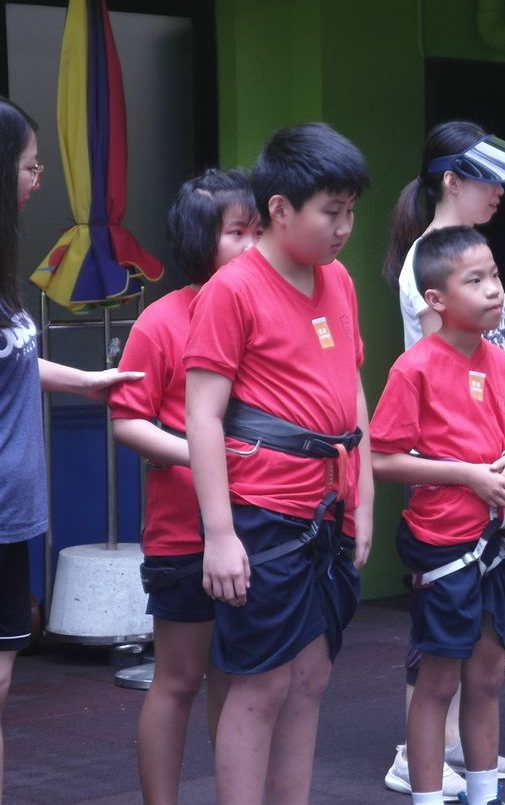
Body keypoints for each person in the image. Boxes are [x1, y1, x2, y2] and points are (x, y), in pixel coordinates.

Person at [183, 123, 373, 804]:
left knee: (312, 677)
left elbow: (353, 392)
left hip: (331, 507)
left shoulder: (339, 279)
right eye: (331, 211)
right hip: (263, 511)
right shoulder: (232, 290)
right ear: (281, 209)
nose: (344, 227)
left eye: (351, 211)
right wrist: (220, 533)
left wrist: (364, 502)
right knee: (260, 682)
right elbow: (202, 415)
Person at [381, 120, 505, 796]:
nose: (501, 191)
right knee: (440, 654)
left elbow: (486, 371)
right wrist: (473, 467)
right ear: (452, 181)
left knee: (483, 661)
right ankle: (422, 760)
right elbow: (444, 380)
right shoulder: (430, 265)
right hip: (448, 485)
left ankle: (465, 762)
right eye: (489, 179)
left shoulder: (465, 260)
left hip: (493, 494)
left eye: (493, 278)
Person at [0, 96, 142, 802]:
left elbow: (14, 361)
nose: (37, 179)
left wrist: (88, 382)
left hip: (11, 519)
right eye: (30, 167)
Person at [109, 169, 261, 804]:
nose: (252, 246)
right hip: (182, 533)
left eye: (258, 231)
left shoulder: (267, 312)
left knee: (239, 676)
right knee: (177, 680)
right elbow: (127, 421)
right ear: (201, 240)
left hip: (262, 524)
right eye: (237, 233)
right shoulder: (161, 320)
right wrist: (205, 459)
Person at [371, 226, 505, 805]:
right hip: (445, 544)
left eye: (495, 276)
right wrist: (466, 475)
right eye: (475, 280)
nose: (493, 290)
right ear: (436, 299)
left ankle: (485, 794)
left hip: (501, 540)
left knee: (488, 676)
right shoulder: (414, 367)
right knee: (438, 681)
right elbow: (381, 458)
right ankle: (428, 796)